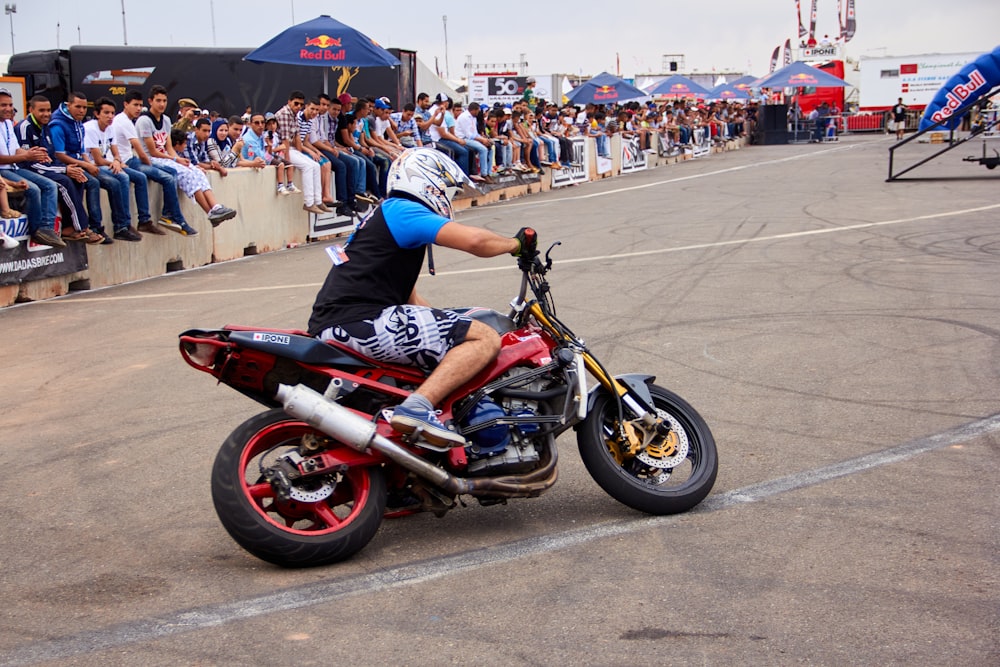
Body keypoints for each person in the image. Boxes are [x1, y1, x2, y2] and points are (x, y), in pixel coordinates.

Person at [308, 148, 535, 447]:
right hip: (359, 320)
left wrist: (452, 324)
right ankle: (417, 408)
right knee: (485, 338)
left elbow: (409, 297)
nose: (447, 197)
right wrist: (516, 244)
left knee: (463, 330)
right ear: (427, 181)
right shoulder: (403, 211)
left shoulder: (387, 216)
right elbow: (475, 241)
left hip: (346, 322)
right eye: (445, 188)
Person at [135, 85, 236, 230]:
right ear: (150, 101)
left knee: (196, 170)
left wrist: (179, 159)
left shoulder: (166, 120)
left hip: (166, 157)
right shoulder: (144, 121)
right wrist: (176, 160)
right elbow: (153, 151)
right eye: (158, 100)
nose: (162, 104)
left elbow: (169, 147)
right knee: (186, 172)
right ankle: (209, 212)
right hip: (152, 159)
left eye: (164, 100)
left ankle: (215, 207)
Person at [16, 95, 103, 244]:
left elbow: (51, 157)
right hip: (26, 168)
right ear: (31, 110)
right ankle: (82, 227)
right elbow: (29, 162)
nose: (46, 114)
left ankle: (69, 228)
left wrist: (67, 168)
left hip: (44, 166)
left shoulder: (46, 127)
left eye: (48, 110)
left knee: (77, 176)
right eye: (41, 110)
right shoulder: (25, 128)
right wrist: (64, 170)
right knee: (64, 182)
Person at [111, 89, 186, 237]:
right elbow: (141, 152)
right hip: (129, 161)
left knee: (171, 172)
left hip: (128, 160)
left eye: (140, 105)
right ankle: (139, 221)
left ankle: (167, 215)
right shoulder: (124, 121)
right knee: (161, 177)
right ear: (126, 104)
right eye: (135, 105)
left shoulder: (128, 121)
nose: (138, 108)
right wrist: (152, 166)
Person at [0, 89, 64, 246]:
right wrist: (26, 156)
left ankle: (46, 229)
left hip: (13, 167)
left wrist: (33, 153)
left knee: (50, 185)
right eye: (3, 105)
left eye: (10, 105)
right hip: (3, 170)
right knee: (33, 189)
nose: (8, 108)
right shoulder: (19, 125)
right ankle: (36, 230)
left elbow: (16, 149)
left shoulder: (8, 123)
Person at [83, 96, 143, 241]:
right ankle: (100, 227)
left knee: (124, 177)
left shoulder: (110, 128)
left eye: (112, 113)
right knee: (114, 182)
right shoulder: (90, 128)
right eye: (106, 113)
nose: (110, 117)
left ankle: (123, 225)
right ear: (97, 114)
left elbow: (116, 152)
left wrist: (116, 161)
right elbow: (97, 159)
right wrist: (113, 163)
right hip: (90, 165)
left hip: (104, 164)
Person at [167, 129, 239, 227]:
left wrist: (211, 164)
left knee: (199, 174)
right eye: (183, 144)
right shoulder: (178, 151)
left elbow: (202, 160)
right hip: (178, 171)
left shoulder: (202, 143)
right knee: (192, 175)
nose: (185, 146)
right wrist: (214, 166)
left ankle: (215, 207)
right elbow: (194, 162)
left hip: (187, 168)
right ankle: (210, 212)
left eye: (209, 130)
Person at [274, 90, 324, 214]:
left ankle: (317, 201)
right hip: (280, 150)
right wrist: (288, 162)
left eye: (300, 104)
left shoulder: (293, 114)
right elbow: (285, 140)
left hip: (291, 149)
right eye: (296, 103)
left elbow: (297, 137)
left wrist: (300, 154)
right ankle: (308, 203)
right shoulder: (285, 114)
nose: (298, 107)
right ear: (289, 102)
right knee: (308, 166)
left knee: (316, 165)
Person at [454, 102, 494, 183]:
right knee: (483, 149)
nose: (479, 113)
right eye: (478, 111)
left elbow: (475, 133)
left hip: (471, 138)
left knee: (490, 148)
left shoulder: (473, 118)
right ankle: (484, 174)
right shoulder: (464, 117)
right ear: (474, 110)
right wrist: (482, 140)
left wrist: (484, 139)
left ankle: (489, 173)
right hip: (463, 138)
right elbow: (469, 135)